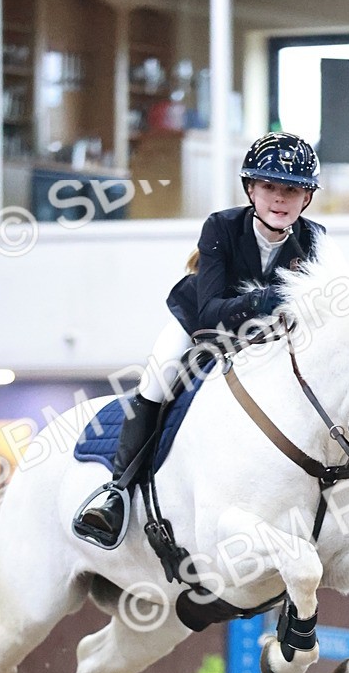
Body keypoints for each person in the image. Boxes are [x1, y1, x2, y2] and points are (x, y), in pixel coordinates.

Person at [76, 131, 324, 546]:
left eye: (292, 189)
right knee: (156, 381)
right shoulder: (221, 227)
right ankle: (116, 492)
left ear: (307, 197)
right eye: (268, 187)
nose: (279, 199)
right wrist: (267, 300)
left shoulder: (316, 240)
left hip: (268, 342)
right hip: (199, 326)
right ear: (250, 188)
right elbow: (211, 311)